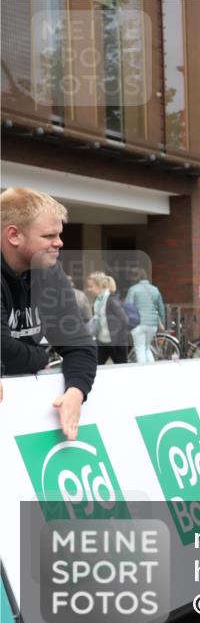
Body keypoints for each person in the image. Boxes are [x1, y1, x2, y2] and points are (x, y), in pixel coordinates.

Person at [1, 187, 97, 440]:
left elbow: (79, 344)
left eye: (59, 234)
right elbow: (5, 351)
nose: (59, 242)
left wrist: (76, 392)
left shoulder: (49, 270)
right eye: (48, 235)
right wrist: (42, 357)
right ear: (14, 235)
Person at [86, 272, 129, 365]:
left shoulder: (111, 300)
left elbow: (125, 320)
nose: (88, 289)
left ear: (99, 286)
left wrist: (118, 339)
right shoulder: (98, 300)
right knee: (95, 367)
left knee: (121, 369)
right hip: (101, 342)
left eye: (91, 286)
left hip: (115, 343)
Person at [125, 268, 165, 364]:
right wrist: (162, 322)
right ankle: (151, 371)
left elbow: (128, 307)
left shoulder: (133, 289)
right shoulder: (155, 289)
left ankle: (142, 373)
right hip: (152, 325)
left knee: (139, 349)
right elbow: (161, 308)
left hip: (138, 324)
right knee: (146, 348)